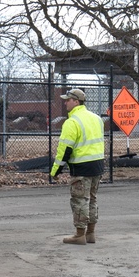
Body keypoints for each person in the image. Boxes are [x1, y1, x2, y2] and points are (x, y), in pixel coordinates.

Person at [50, 88, 105, 245]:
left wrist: (56, 171)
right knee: (92, 200)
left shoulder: (72, 122)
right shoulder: (97, 119)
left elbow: (64, 150)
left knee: (79, 200)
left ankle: (79, 235)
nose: (65, 102)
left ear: (76, 101)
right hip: (97, 167)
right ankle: (91, 233)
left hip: (81, 168)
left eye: (68, 100)